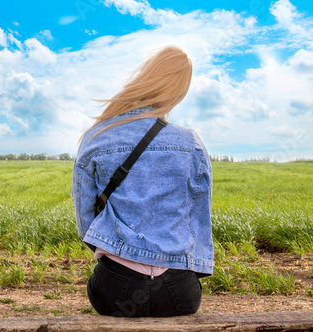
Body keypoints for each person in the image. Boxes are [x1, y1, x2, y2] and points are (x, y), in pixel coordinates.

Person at [72, 46, 213, 317]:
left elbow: (85, 220)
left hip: (114, 288)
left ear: (145, 79)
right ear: (178, 92)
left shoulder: (99, 136)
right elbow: (199, 220)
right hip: (178, 291)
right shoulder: (192, 143)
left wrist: (113, 248)